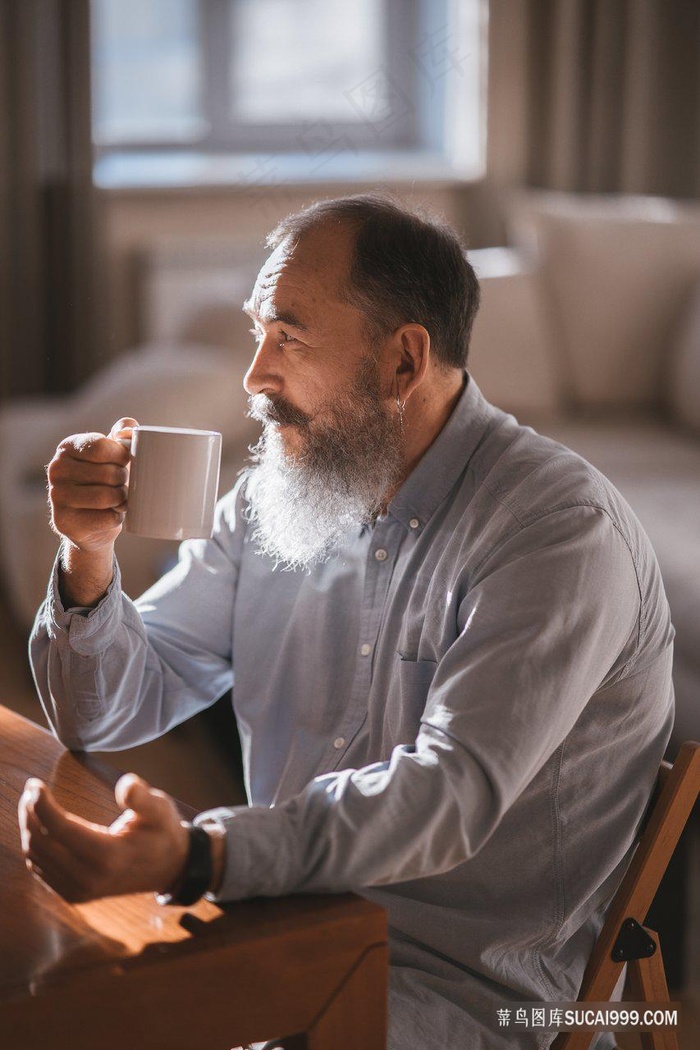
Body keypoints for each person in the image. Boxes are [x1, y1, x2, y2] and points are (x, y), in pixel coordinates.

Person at [21, 194, 674, 1050]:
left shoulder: (556, 530)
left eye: (287, 337)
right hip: (285, 926)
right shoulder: (272, 497)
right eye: (260, 331)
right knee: (62, 1004)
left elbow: (447, 794)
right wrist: (88, 557)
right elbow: (103, 713)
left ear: (403, 362)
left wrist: (200, 856)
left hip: (466, 990)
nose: (254, 375)